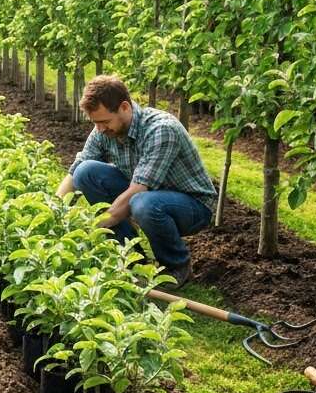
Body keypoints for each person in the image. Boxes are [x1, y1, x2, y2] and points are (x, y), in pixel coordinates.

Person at [57, 75, 216, 287]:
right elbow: (77, 168)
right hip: (146, 194)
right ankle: (130, 258)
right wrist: (55, 215)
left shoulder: (161, 129)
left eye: (104, 121)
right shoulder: (103, 130)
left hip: (191, 206)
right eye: (96, 123)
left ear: (124, 107)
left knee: (143, 203)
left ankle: (177, 267)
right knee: (85, 172)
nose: (100, 129)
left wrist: (91, 231)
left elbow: (138, 190)